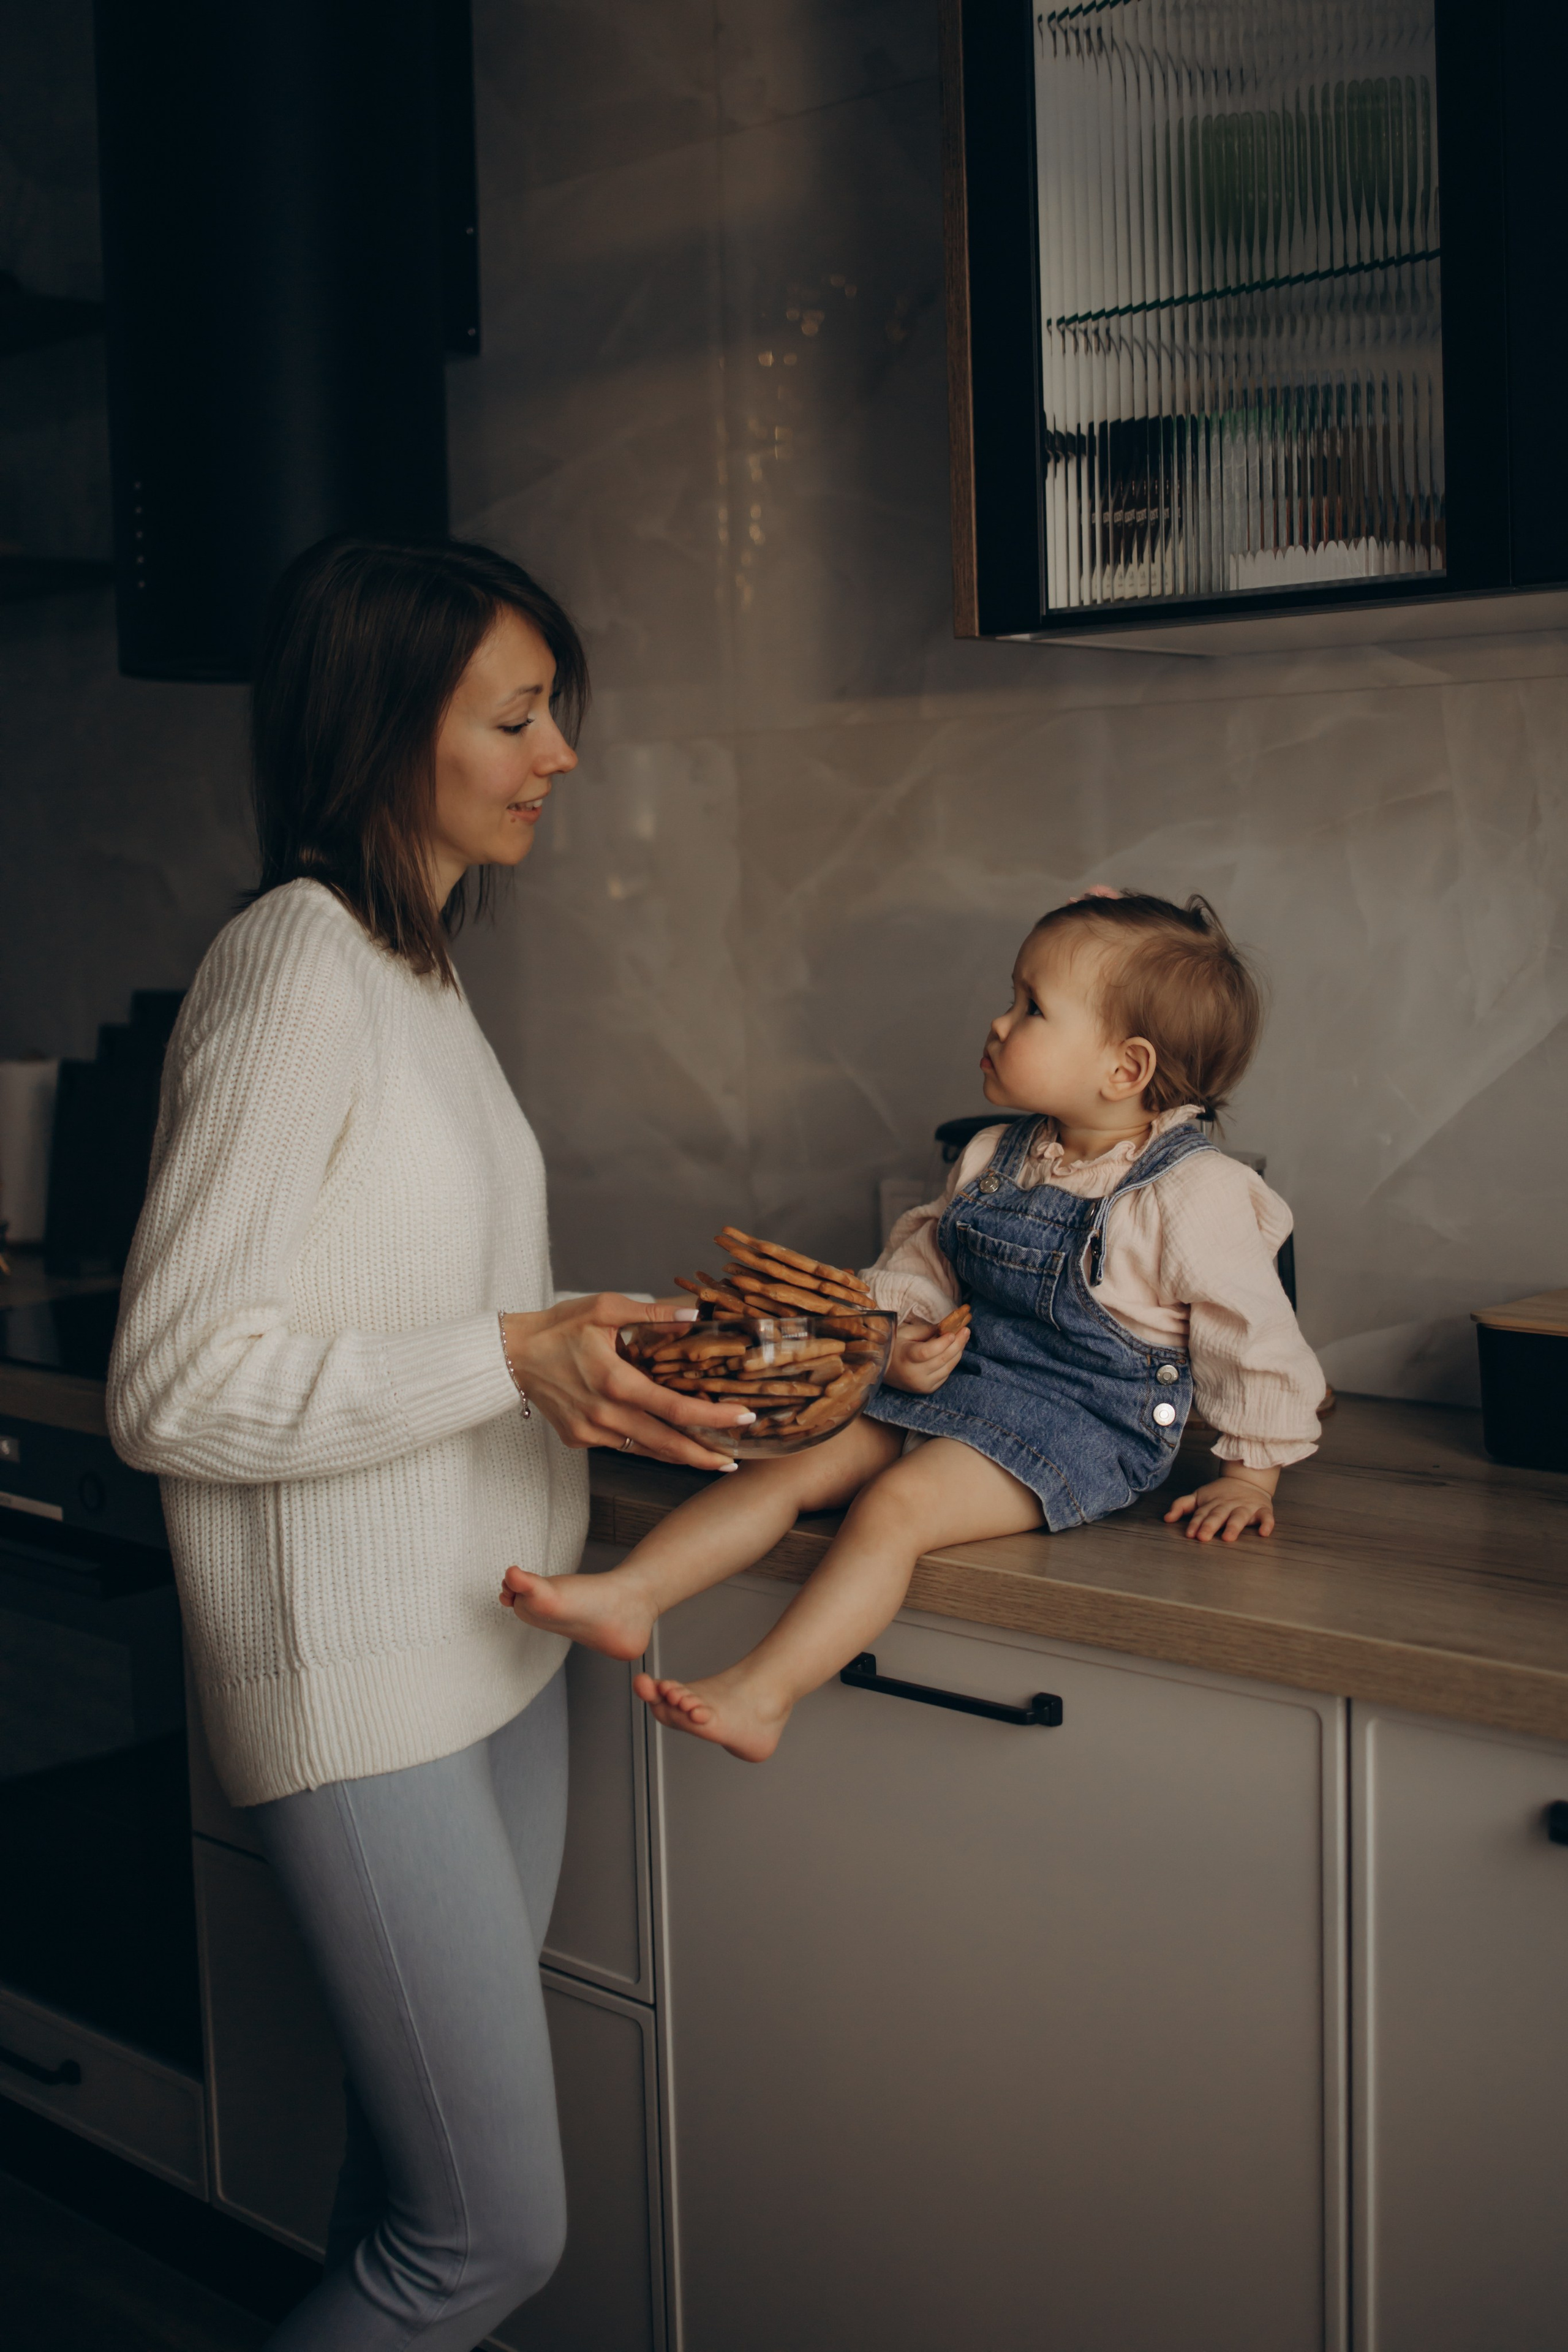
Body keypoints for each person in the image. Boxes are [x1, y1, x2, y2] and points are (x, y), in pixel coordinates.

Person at [107, 537, 754, 2350]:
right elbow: (171, 1387)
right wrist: (507, 1351)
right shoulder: (294, 965)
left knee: (409, 2200)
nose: (561, 754)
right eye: (516, 716)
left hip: (495, 1634)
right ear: (382, 728)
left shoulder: (418, 973)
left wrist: (582, 1342)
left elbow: (422, 1307)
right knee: (483, 2244)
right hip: (360, 1672)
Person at [502, 890, 1325, 1763]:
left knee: (895, 1505)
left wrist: (1251, 1479)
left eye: (1032, 1007)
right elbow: (924, 1264)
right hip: (968, 1387)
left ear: (1125, 1069)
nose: (1000, 1021)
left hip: (1082, 1424)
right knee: (797, 1458)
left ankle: (764, 1693)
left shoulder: (1193, 1192)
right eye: (1013, 996)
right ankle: (632, 1594)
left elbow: (1253, 1337)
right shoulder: (996, 1156)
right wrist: (897, 1342)